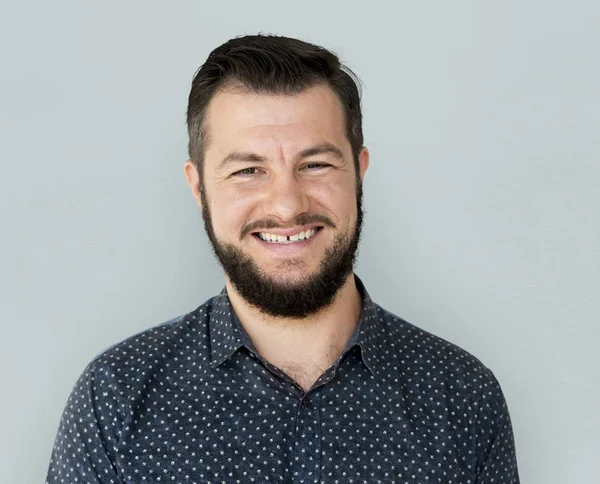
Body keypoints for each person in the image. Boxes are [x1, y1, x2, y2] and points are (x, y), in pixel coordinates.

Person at [47, 34, 520, 483]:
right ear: (198, 187)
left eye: (314, 165)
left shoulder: (462, 396)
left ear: (359, 171)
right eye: (248, 170)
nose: (287, 205)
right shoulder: (115, 397)